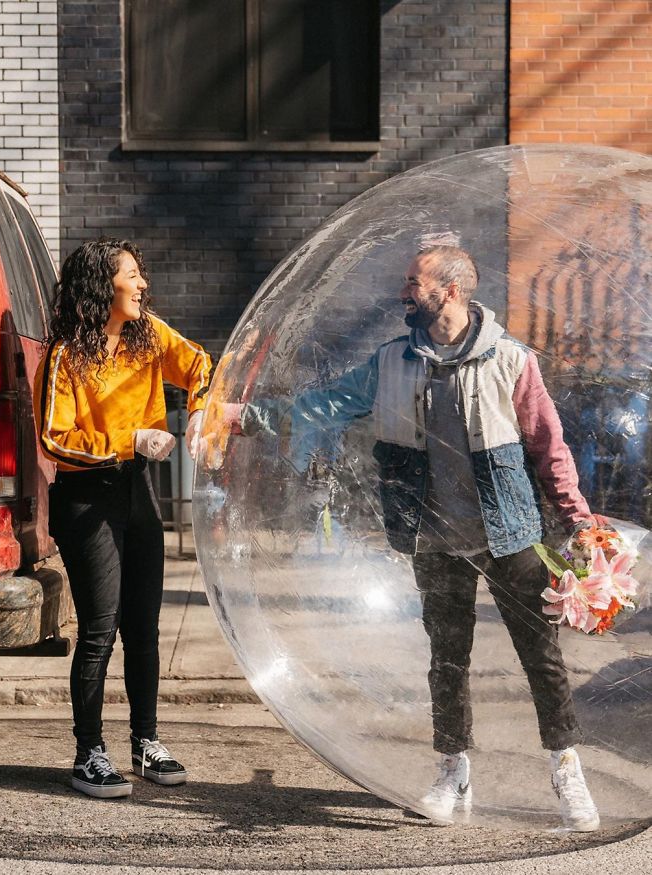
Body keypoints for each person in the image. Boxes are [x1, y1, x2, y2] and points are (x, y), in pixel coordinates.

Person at [222, 244, 602, 831]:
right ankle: (453, 770)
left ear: (448, 291)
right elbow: (324, 406)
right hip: (433, 539)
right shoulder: (391, 363)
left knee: (542, 662)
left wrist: (579, 522)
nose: (404, 291)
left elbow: (549, 448)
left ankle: (566, 770)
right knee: (447, 662)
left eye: (413, 282)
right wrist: (245, 417)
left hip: (512, 535)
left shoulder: (511, 361)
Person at [34, 239, 211, 798]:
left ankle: (145, 742)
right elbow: (53, 437)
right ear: (100, 287)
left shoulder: (150, 334)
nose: (141, 285)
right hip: (86, 497)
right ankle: (89, 753)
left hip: (137, 493)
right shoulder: (65, 354)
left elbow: (201, 363)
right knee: (98, 631)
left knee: (143, 628)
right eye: (131, 277)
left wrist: (201, 416)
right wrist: (128, 439)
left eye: (140, 276)